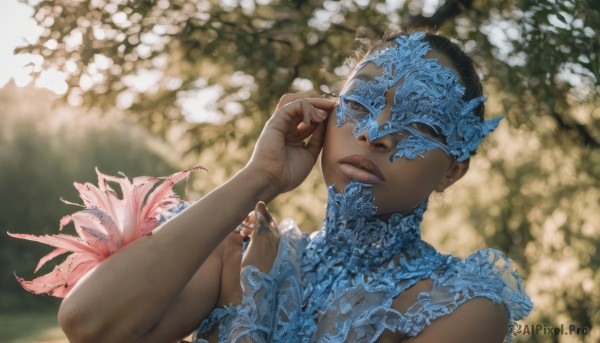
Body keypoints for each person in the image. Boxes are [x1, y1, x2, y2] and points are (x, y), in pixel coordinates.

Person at [51, 30, 532, 342]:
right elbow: (89, 324)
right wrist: (258, 177)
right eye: (360, 102)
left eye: (421, 121)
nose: (375, 132)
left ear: (453, 170)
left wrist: (252, 316)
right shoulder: (239, 252)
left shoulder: (463, 306)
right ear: (326, 113)